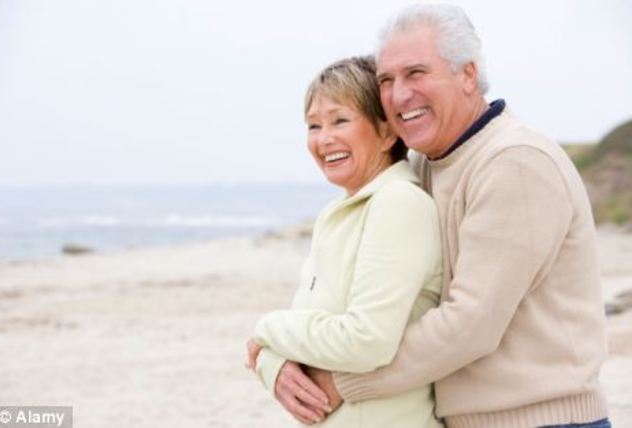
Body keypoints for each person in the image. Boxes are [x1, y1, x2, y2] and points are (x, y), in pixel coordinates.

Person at [269, 4, 611, 428]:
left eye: (416, 73)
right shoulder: (424, 167)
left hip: (540, 420)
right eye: (386, 80)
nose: (398, 95)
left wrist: (343, 382)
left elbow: (469, 325)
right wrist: (275, 358)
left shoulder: (515, 162)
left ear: (468, 74)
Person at [246, 56, 444, 427]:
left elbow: (366, 341)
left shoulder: (399, 203)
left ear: (387, 133)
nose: (324, 139)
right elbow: (308, 329)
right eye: (313, 125)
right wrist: (271, 362)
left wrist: (266, 329)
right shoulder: (336, 215)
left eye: (340, 121)